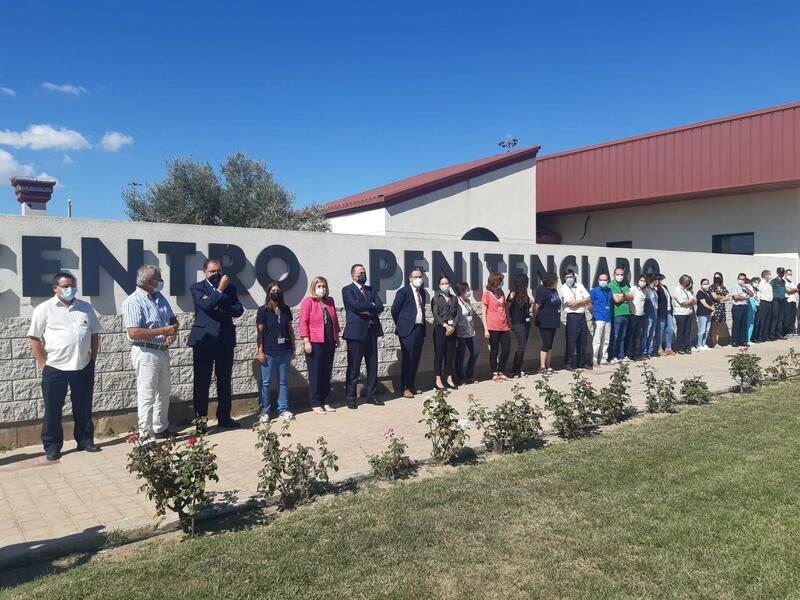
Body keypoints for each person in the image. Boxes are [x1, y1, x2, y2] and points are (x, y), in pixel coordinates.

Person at [28, 272, 102, 461]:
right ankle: (52, 446)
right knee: (53, 409)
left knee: (83, 406)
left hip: (83, 366)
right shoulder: (44, 309)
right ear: (56, 288)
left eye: (73, 285)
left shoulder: (85, 307)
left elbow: (94, 334)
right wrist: (43, 364)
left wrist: (92, 358)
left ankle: (85, 440)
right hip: (55, 368)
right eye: (66, 286)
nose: (71, 289)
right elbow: (34, 338)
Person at [122, 265, 179, 441]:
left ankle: (160, 427)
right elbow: (134, 332)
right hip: (146, 351)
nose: (161, 282)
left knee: (163, 391)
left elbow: (173, 320)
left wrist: (172, 333)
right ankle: (145, 436)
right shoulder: (133, 301)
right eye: (159, 279)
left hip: (162, 350)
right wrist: (163, 331)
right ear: (148, 282)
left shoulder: (160, 298)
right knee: (147, 394)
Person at [188, 258, 245, 428]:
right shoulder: (197, 287)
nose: (216, 274)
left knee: (224, 381)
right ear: (205, 272)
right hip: (204, 340)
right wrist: (220, 290)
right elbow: (205, 305)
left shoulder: (231, 288)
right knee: (202, 382)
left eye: (218, 271)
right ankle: (201, 422)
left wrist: (220, 307)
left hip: (224, 340)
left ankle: (224, 417)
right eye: (212, 271)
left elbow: (238, 310)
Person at [342, 264, 385, 408]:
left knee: (372, 366)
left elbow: (380, 306)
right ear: (353, 275)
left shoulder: (371, 289)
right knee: (354, 367)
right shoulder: (347, 290)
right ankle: (351, 397)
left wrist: (368, 307)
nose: (363, 275)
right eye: (360, 273)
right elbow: (355, 306)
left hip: (371, 332)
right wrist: (371, 305)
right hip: (356, 334)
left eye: (364, 273)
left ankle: (371, 395)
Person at [299, 276, 340, 414]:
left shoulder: (330, 301)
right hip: (314, 342)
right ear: (314, 288)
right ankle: (316, 402)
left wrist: (336, 337)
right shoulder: (308, 302)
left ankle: (326, 401)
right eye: (319, 286)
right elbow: (303, 322)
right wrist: (306, 341)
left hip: (329, 341)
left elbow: (335, 320)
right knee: (316, 373)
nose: (322, 289)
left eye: (323, 286)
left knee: (326, 372)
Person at [256, 282, 295, 423]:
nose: (275, 293)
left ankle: (283, 409)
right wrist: (260, 351)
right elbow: (260, 333)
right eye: (272, 290)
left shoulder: (286, 309)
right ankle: (265, 410)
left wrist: (293, 348)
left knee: (283, 381)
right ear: (268, 293)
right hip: (268, 351)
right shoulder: (263, 310)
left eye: (277, 290)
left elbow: (290, 329)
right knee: (265, 382)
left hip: (284, 350)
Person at [391, 268, 427, 398]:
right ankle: (405, 387)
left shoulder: (422, 292)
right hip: (407, 330)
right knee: (408, 358)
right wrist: (402, 324)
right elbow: (395, 310)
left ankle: (412, 385)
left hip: (419, 328)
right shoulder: (403, 292)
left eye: (420, 276)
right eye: (415, 277)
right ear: (410, 278)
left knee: (416, 358)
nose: (418, 279)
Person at [481, 272, 511, 382]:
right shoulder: (486, 294)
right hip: (492, 326)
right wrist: (485, 329)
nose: (502, 283)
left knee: (507, 349)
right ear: (495, 282)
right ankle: (494, 373)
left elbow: (505, 308)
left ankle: (501, 371)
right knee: (494, 350)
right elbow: (484, 312)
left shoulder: (501, 292)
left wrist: (509, 323)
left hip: (504, 325)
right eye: (500, 281)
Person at [559, 269, 591, 370]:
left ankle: (581, 363)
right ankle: (568, 363)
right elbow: (570, 303)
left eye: (571, 277)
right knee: (571, 340)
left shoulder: (579, 285)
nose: (569, 279)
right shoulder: (563, 288)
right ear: (564, 278)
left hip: (582, 315)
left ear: (574, 277)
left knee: (583, 340)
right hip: (572, 316)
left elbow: (588, 298)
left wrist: (578, 302)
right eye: (567, 277)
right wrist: (582, 301)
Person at [431, 275, 459, 390]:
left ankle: (449, 378)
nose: (444, 285)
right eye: (442, 284)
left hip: (452, 329)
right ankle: (438, 379)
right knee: (439, 354)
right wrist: (445, 325)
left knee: (450, 354)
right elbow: (435, 314)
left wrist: (453, 327)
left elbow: (457, 314)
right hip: (440, 329)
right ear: (439, 285)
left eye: (446, 283)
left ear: (450, 284)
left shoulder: (454, 298)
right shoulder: (436, 298)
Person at [533, 272, 562, 374]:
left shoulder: (554, 291)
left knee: (550, 344)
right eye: (556, 280)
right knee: (546, 343)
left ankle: (548, 365)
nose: (557, 282)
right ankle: (542, 367)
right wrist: (535, 317)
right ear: (552, 280)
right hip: (545, 321)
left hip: (553, 321)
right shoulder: (542, 290)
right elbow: (537, 305)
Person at [453, 282, 480, 385]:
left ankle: (469, 375)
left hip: (470, 332)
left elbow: (470, 315)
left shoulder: (468, 301)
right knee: (460, 356)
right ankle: (460, 378)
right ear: (461, 291)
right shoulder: (456, 301)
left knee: (475, 352)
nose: (469, 292)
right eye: (467, 290)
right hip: (460, 333)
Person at [507, 274, 532, 376]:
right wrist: (508, 322)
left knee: (523, 346)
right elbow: (506, 308)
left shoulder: (525, 293)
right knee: (521, 345)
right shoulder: (513, 294)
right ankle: (515, 369)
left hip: (526, 321)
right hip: (517, 322)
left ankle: (519, 368)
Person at [608, 267, 633, 364]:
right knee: (615, 336)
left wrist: (622, 295)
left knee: (622, 336)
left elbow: (631, 296)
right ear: (614, 275)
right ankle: (612, 356)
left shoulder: (625, 285)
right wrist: (625, 296)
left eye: (622, 274)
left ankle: (621, 355)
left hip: (626, 313)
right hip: (616, 314)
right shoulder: (611, 285)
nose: (620, 276)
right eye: (618, 274)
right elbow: (616, 300)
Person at [589, 273, 612, 366]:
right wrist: (594, 313)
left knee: (606, 340)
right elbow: (589, 304)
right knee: (597, 340)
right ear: (598, 281)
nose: (603, 281)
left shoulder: (610, 291)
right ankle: (594, 360)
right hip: (598, 318)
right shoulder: (594, 291)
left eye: (605, 280)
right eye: (601, 280)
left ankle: (603, 359)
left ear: (608, 281)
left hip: (608, 318)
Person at [673, 275, 696, 354]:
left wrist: (690, 301)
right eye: (687, 280)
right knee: (681, 331)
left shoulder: (687, 290)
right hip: (680, 313)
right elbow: (682, 302)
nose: (688, 282)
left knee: (688, 331)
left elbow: (694, 300)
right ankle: (680, 347)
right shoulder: (677, 290)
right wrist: (690, 301)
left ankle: (687, 346)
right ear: (683, 281)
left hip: (689, 312)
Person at [730, 273, 754, 348]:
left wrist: (746, 288)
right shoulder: (735, 286)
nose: (741, 280)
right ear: (738, 279)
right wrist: (745, 298)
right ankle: (735, 341)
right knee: (736, 324)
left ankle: (743, 341)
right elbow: (736, 297)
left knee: (743, 324)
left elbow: (752, 294)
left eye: (743, 279)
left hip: (745, 306)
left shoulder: (745, 287)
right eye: (740, 279)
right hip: (737, 307)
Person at [707, 272, 729, 348]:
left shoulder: (723, 287)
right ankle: (713, 343)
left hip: (722, 308)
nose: (717, 278)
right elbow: (715, 297)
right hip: (715, 308)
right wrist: (723, 297)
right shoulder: (711, 287)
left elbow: (728, 297)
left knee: (718, 327)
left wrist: (720, 298)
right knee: (714, 326)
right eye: (715, 277)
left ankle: (717, 342)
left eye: (718, 277)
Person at [628, 275, 647, 360]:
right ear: (638, 281)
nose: (643, 282)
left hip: (641, 315)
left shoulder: (644, 291)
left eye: (644, 281)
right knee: (632, 335)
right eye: (641, 280)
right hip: (633, 314)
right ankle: (630, 354)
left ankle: (636, 354)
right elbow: (628, 298)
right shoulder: (634, 289)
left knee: (637, 336)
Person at [655, 274, 675, 356]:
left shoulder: (665, 287)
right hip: (661, 312)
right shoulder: (657, 288)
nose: (664, 281)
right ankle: (659, 348)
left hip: (668, 311)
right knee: (660, 330)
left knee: (670, 329)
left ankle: (668, 348)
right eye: (662, 279)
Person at [695, 278, 714, 351]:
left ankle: (704, 344)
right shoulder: (699, 293)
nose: (706, 285)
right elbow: (704, 304)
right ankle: (699, 344)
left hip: (709, 313)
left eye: (707, 284)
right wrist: (712, 309)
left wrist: (712, 311)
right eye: (704, 284)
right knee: (702, 329)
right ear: (701, 285)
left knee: (707, 330)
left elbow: (711, 302)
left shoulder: (708, 293)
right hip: (702, 313)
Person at [754, 269, 773, 342]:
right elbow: (758, 292)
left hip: (769, 303)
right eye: (769, 274)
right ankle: (759, 336)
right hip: (763, 302)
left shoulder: (768, 284)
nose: (770, 276)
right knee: (762, 320)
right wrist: (758, 301)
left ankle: (765, 336)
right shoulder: (761, 283)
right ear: (765, 275)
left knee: (768, 320)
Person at [643, 275, 659, 357]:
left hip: (654, 313)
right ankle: (644, 350)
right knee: (647, 332)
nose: (657, 282)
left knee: (652, 333)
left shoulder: (654, 290)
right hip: (649, 313)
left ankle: (650, 350)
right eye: (655, 280)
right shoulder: (647, 290)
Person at [770, 267, 788, 341]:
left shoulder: (783, 281)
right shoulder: (773, 281)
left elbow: (784, 290)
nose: (781, 274)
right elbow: (770, 290)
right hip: (776, 300)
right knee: (775, 318)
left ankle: (779, 334)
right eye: (780, 272)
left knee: (781, 318)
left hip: (782, 300)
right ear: (777, 273)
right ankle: (772, 335)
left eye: (783, 273)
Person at [783, 269, 798, 336]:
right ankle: (786, 331)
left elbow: (796, 290)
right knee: (787, 316)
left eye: (791, 274)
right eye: (789, 274)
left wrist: (793, 290)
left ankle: (791, 331)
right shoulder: (783, 281)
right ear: (785, 274)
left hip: (793, 300)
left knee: (792, 316)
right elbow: (788, 291)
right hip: (788, 300)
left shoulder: (791, 282)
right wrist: (793, 290)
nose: (790, 276)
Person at [747, 276, 760, 344]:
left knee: (753, 324)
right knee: (749, 323)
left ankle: (750, 339)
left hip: (756, 307)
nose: (757, 284)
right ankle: (747, 339)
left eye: (758, 282)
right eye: (755, 282)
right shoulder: (749, 288)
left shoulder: (757, 290)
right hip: (750, 307)